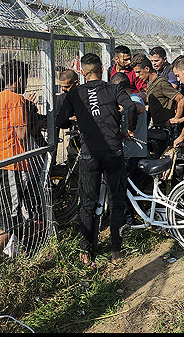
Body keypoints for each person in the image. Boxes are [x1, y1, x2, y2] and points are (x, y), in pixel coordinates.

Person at [56, 52, 137, 264]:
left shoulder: (75, 93)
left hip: (89, 153)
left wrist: (77, 121)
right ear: (102, 70)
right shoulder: (113, 87)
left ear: (82, 73)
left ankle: (85, 251)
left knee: (88, 202)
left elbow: (60, 120)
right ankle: (116, 251)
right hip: (113, 150)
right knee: (116, 200)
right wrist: (129, 130)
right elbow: (130, 107)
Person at [0, 59, 41, 256]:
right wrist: (35, 122)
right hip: (12, 164)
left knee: (7, 214)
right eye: (26, 78)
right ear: (20, 79)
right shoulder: (15, 100)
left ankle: (23, 251)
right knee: (9, 217)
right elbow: (21, 134)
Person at [109, 71, 147, 189]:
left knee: (127, 190)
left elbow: (140, 108)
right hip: (129, 152)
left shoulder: (134, 98)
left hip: (134, 153)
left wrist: (126, 106)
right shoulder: (129, 99)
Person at [132, 55, 184, 128]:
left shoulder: (161, 83)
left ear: (147, 69)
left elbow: (180, 98)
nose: (136, 75)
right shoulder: (150, 83)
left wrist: (176, 119)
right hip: (158, 126)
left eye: (138, 72)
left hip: (167, 128)